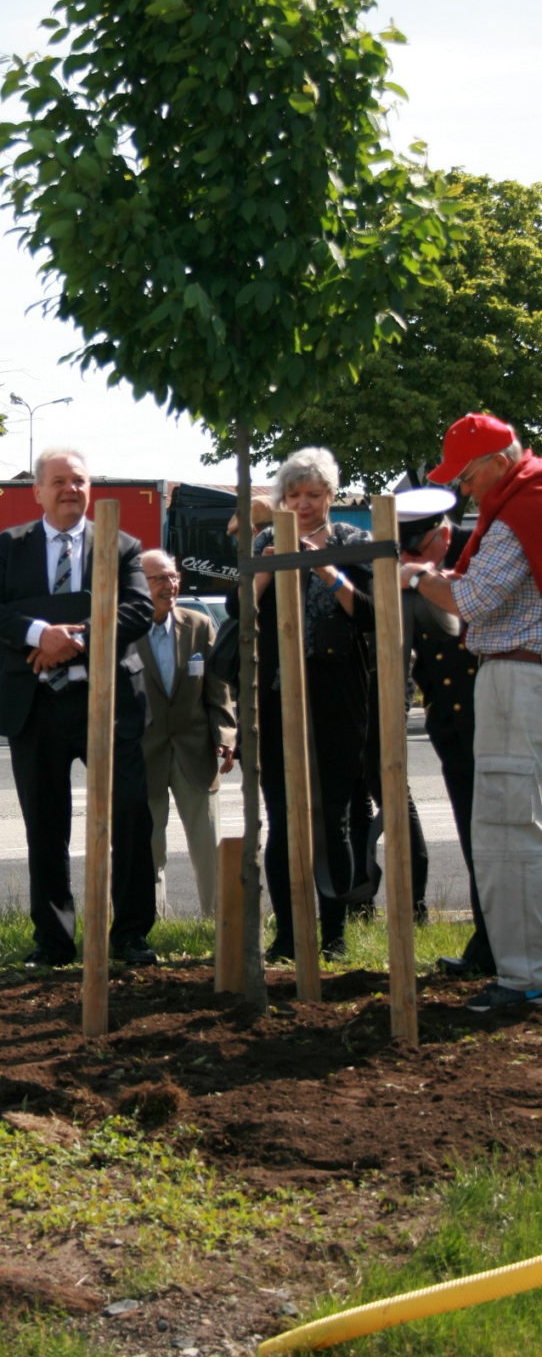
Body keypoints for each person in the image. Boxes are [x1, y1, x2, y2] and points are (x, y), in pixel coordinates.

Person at [0, 447, 156, 967]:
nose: (70, 489)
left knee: (131, 822)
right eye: (58, 481)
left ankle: (132, 936)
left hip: (110, 705)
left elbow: (139, 610)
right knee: (46, 827)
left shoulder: (121, 545)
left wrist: (75, 637)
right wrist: (38, 632)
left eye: (79, 480)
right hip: (38, 708)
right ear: (38, 490)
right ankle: (53, 942)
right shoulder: (10, 545)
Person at [400, 412, 542, 1012]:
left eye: (467, 474)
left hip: (518, 675)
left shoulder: (520, 510)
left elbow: (475, 601)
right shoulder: (524, 500)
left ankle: (523, 974)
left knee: (509, 827)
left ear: (499, 462)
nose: (463, 488)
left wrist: (420, 578)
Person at [246, 447, 374, 963]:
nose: (302, 504)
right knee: (282, 817)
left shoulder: (354, 542)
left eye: (313, 495)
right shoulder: (264, 540)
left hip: (340, 690)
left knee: (334, 818)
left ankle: (334, 935)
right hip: (279, 690)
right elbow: (244, 612)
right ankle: (287, 935)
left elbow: (369, 614)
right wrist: (266, 570)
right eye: (293, 495)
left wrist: (326, 571)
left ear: (331, 496)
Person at [395, 488, 492, 974]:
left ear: (445, 534)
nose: (408, 558)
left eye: (417, 547)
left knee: (503, 839)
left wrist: (420, 579)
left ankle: (502, 945)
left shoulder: (480, 562)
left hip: (495, 723)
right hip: (453, 730)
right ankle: (489, 944)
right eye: (403, 550)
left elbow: (462, 623)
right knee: (476, 838)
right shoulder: (407, 579)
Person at [135, 549, 235, 918]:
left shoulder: (199, 625)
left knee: (208, 845)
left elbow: (218, 688)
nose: (170, 585)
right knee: (149, 847)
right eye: (160, 578)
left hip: (195, 751)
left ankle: (217, 923)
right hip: (144, 755)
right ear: (139, 584)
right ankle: (150, 923)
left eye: (174, 577)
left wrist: (225, 736)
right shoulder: (124, 630)